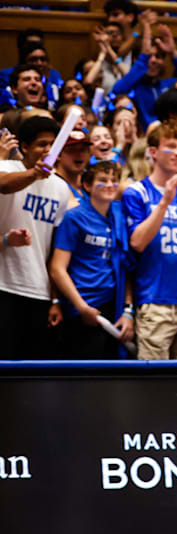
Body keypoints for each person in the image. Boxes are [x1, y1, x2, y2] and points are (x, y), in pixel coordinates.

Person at [122, 123, 177, 359]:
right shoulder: (136, 192)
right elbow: (137, 242)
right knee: (154, 384)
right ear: (153, 152)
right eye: (171, 147)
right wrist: (163, 203)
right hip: (156, 301)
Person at [0, 116, 70, 359]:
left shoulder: (61, 188)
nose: (48, 150)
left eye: (53, 144)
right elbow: (4, 184)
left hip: (38, 290)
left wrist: (54, 299)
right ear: (25, 147)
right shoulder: (8, 168)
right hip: (3, 285)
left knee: (31, 370)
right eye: (41, 144)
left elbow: (53, 248)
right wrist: (33, 175)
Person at [49, 161, 135, 359]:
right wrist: (81, 307)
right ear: (87, 186)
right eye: (102, 180)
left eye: (114, 180)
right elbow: (57, 268)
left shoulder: (120, 215)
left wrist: (128, 310)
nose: (110, 185)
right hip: (82, 306)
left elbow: (126, 265)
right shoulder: (74, 218)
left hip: (112, 305)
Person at [111, 21, 177, 130]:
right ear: (137, 59)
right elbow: (117, 90)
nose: (153, 61)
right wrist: (143, 58)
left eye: (158, 56)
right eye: (149, 56)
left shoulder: (170, 84)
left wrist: (174, 54)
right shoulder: (136, 86)